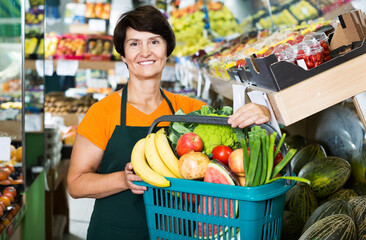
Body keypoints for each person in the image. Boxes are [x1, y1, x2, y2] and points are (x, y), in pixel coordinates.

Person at [67, 5, 270, 240]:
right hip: (115, 232)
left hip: (178, 233)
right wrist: (122, 180)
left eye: (154, 42)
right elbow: (76, 184)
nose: (145, 52)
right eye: (134, 44)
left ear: (167, 50)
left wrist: (261, 111)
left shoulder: (190, 110)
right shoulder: (102, 112)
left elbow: (235, 145)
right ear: (123, 54)